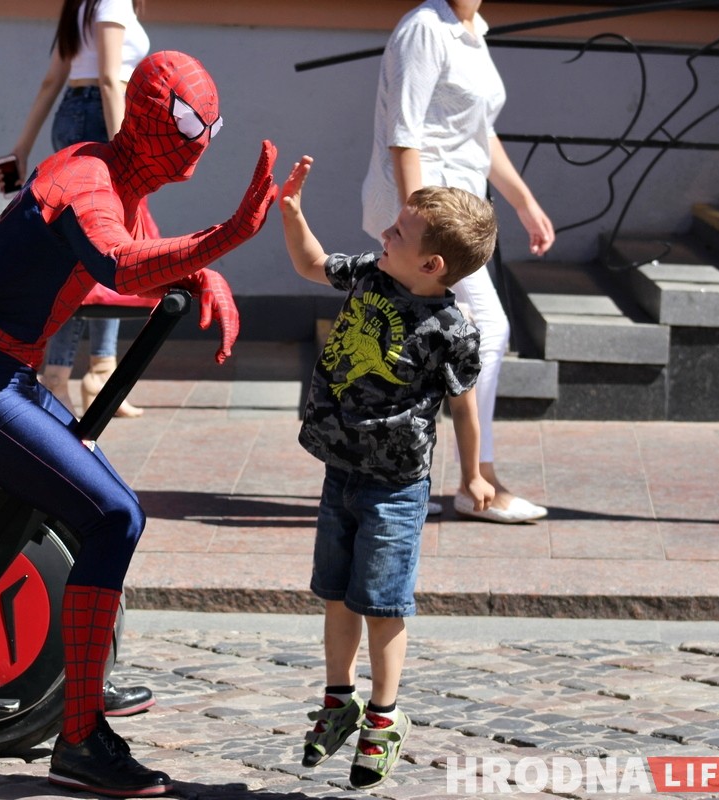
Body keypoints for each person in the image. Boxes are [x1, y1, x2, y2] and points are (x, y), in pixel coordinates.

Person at [0, 50, 277, 797]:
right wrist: (222, 240)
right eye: (187, 121)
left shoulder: (115, 176)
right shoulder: (88, 181)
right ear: (148, 119)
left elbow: (131, 259)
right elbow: (115, 261)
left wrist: (196, 270)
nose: (201, 139)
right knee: (114, 514)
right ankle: (79, 738)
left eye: (211, 125)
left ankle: (78, 689)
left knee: (108, 507)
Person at [281, 155, 495, 789]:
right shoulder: (372, 276)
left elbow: (463, 403)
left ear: (433, 265)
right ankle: (338, 699)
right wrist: (293, 215)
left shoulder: (450, 329)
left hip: (395, 487)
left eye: (398, 232)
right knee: (336, 591)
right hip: (339, 471)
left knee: (382, 602)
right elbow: (313, 264)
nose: (384, 236)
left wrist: (474, 473)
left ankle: (384, 716)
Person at [361, 0, 555, 523]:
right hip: (428, 218)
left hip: (453, 214)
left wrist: (523, 201)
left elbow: (479, 132)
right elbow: (405, 135)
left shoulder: (473, 30)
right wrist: (416, 231)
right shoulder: (425, 29)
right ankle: (477, 480)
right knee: (486, 329)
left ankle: (415, 472)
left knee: (436, 337)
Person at [0, 0, 154, 419]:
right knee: (103, 250)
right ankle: (65, 376)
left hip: (76, 113)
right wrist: (126, 146)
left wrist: (21, 148)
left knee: (96, 248)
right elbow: (108, 79)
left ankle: (95, 371)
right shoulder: (113, 0)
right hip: (101, 117)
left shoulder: (82, 3)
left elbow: (53, 80)